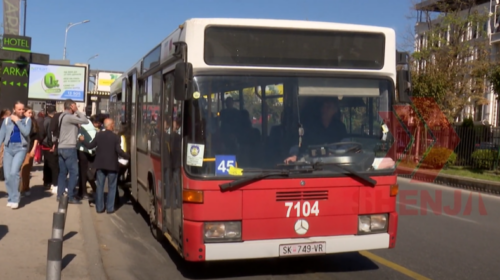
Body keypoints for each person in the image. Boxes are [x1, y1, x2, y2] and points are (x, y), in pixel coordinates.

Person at [79, 118, 129, 214]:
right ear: (110, 125)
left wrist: (83, 140)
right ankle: (110, 208)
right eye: (113, 123)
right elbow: (119, 151)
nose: (114, 125)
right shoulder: (116, 137)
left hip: (100, 165)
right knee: (112, 187)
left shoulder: (99, 135)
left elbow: (90, 146)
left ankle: (99, 208)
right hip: (112, 165)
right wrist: (128, 156)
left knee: (100, 187)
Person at [284, 98, 347, 164]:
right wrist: (294, 155)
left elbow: (345, 145)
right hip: (310, 163)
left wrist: (336, 154)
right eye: (325, 106)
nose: (326, 109)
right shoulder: (309, 126)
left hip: (335, 164)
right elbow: (297, 142)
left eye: (329, 107)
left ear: (335, 110)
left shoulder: (340, 127)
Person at [56, 99, 89, 204]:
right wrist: (78, 111)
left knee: (62, 173)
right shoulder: (70, 117)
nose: (76, 108)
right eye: (75, 106)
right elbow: (85, 120)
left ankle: (60, 195)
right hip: (69, 148)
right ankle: (70, 196)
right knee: (74, 173)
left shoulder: (62, 116)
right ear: (71, 107)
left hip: (61, 147)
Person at [0, 101, 32, 209]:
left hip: (20, 148)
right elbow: (1, 135)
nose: (22, 111)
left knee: (14, 173)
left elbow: (26, 132)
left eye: (23, 109)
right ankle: (11, 197)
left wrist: (18, 121)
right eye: (19, 109)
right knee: (7, 176)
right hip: (8, 148)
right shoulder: (6, 120)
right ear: (14, 109)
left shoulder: (27, 120)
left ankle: (15, 198)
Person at [19, 106, 41, 197]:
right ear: (24, 113)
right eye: (29, 112)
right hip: (19, 149)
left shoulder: (33, 123)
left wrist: (33, 149)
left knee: (26, 170)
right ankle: (20, 189)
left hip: (29, 149)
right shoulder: (20, 122)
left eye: (31, 113)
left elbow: (36, 138)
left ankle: (25, 188)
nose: (30, 114)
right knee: (19, 170)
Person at [77, 115, 100, 200]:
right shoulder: (87, 124)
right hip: (86, 151)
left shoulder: (85, 126)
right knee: (85, 172)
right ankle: (84, 193)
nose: (99, 125)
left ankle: (82, 192)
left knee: (84, 172)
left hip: (84, 150)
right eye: (98, 123)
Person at [41, 106, 58, 190]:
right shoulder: (52, 121)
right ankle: (53, 182)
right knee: (53, 165)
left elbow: (42, 133)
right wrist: (52, 144)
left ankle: (46, 181)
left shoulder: (45, 120)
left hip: (45, 144)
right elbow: (50, 134)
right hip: (50, 145)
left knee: (47, 164)